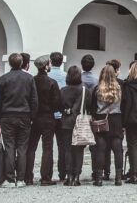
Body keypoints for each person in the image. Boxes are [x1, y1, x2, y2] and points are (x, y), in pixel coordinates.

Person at [0, 53, 38, 188]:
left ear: (9, 64)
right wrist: (32, 117)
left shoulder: (3, 79)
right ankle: (21, 179)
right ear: (22, 63)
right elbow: (34, 100)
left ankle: (10, 179)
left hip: (7, 116)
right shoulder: (29, 78)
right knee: (22, 148)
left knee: (9, 147)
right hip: (24, 116)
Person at [24, 55, 61, 186]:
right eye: (49, 64)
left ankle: (28, 176)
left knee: (31, 147)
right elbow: (57, 103)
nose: (50, 65)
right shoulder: (52, 82)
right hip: (48, 117)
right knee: (47, 147)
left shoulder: (31, 81)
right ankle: (45, 177)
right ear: (46, 66)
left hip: (34, 117)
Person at [58, 66, 94, 186]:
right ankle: (76, 177)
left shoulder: (63, 90)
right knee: (79, 150)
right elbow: (89, 106)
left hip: (66, 122)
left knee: (67, 150)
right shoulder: (84, 90)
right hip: (80, 122)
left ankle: (69, 176)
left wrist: (67, 110)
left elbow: (59, 107)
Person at [90, 65, 124, 186]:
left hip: (101, 120)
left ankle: (99, 179)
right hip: (116, 119)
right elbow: (124, 105)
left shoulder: (97, 89)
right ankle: (118, 178)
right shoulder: (119, 88)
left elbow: (92, 107)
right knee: (118, 150)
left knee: (101, 150)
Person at [49, 52, 69, 182]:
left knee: (48, 146)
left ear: (50, 62)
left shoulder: (47, 76)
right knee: (62, 146)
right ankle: (62, 173)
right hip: (62, 115)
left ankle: (47, 174)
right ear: (62, 62)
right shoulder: (66, 76)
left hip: (49, 115)